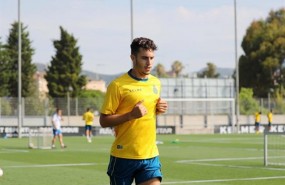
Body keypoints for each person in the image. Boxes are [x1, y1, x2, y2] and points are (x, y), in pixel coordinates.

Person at [99, 37, 168, 185]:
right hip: (123, 155)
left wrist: (158, 108)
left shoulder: (156, 82)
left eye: (151, 58)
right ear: (133, 57)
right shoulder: (118, 85)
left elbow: (149, 111)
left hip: (150, 155)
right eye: (144, 58)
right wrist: (130, 115)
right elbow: (104, 120)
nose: (149, 63)